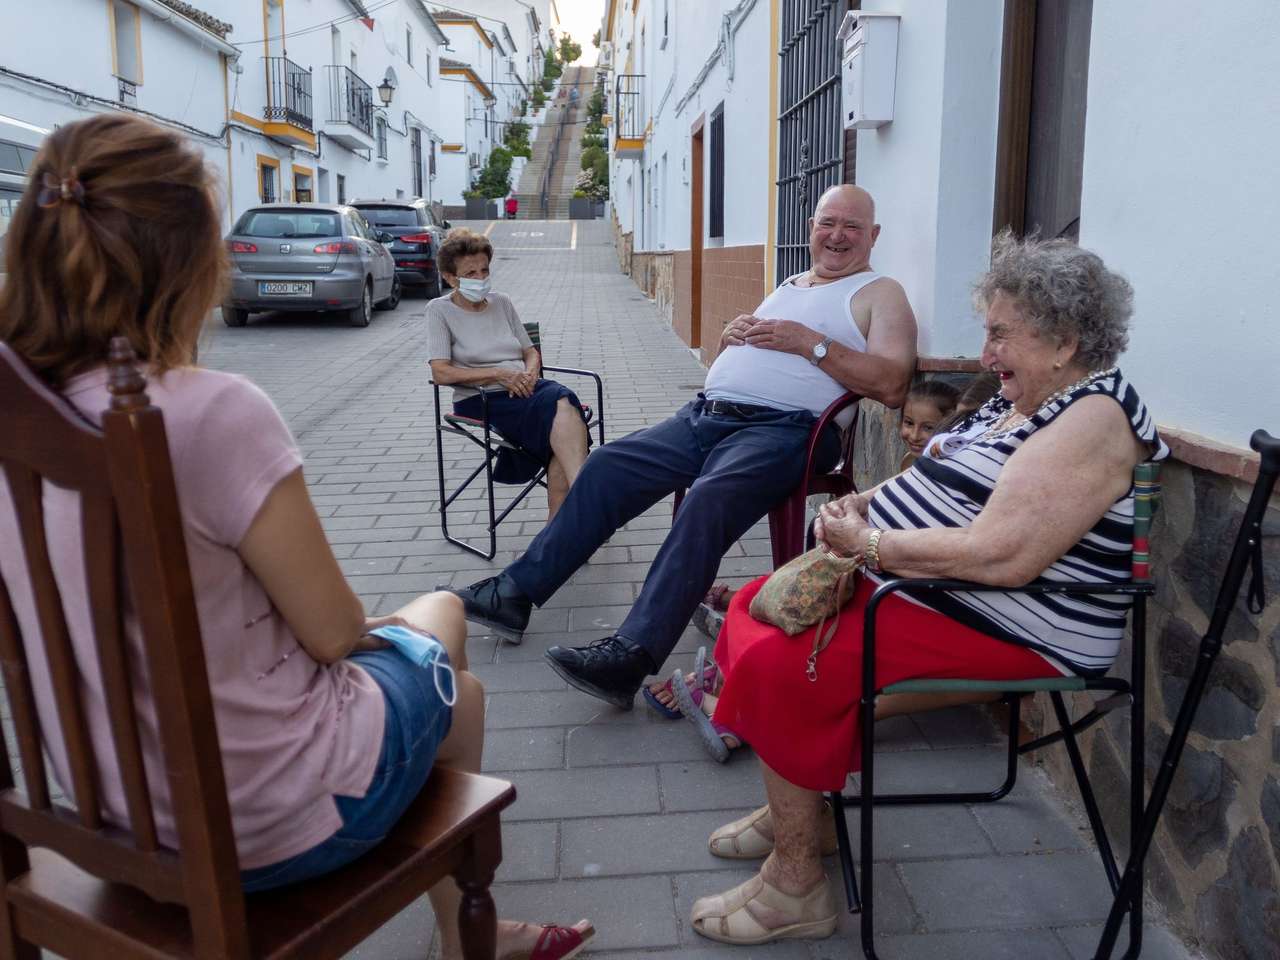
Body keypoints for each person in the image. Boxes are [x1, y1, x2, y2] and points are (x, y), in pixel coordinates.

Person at [0, 114, 592, 960]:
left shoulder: (17, 423)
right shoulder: (209, 410)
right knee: (444, 633)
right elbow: (331, 632)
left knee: (443, 658)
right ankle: (470, 932)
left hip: (101, 810)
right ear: (191, 262)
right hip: (267, 818)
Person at [685, 232, 1167, 946]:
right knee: (753, 611)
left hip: (1012, 621)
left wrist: (871, 545)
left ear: (1064, 341)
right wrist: (865, 503)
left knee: (785, 661)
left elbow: (1003, 557)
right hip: (938, 592)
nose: (985, 354)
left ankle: (796, 888)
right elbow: (934, 475)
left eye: (1001, 334)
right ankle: (801, 817)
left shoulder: (1091, 419)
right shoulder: (1027, 400)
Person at [450, 184, 917, 708]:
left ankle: (631, 654)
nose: (837, 236)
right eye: (827, 223)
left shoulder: (881, 292)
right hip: (705, 417)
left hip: (788, 430)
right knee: (606, 465)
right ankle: (513, 594)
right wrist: (731, 338)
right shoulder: (790, 283)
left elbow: (893, 383)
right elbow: (755, 353)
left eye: (851, 227)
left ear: (872, 236)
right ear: (811, 228)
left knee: (708, 498)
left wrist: (809, 342)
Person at [427, 228, 591, 522]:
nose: (480, 279)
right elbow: (440, 372)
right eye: (471, 273)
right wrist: (499, 373)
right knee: (559, 406)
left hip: (525, 388)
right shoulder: (439, 311)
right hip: (481, 398)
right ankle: (588, 500)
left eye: (484, 270)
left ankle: (561, 526)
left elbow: (530, 352)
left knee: (562, 401)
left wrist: (529, 372)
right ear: (451, 278)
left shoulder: (501, 302)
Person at [898, 379, 959, 470]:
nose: (915, 436)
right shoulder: (910, 462)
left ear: (953, 427)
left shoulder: (953, 472)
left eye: (928, 428)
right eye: (909, 423)